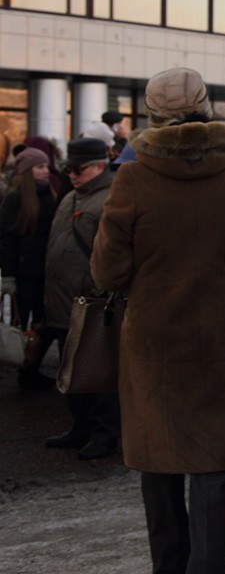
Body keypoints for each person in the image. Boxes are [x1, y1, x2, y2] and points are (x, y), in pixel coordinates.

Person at [91, 67, 225, 574]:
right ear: (207, 107)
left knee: (158, 468)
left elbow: (108, 272)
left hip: (154, 348)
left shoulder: (132, 177)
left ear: (151, 114)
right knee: (216, 473)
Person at [42, 137, 121, 460]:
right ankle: (80, 427)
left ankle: (105, 434)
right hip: (63, 301)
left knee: (97, 372)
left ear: (99, 166)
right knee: (72, 371)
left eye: (79, 169)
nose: (72, 174)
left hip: (90, 302)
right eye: (69, 169)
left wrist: (97, 289)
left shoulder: (110, 199)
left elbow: (111, 253)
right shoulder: (72, 196)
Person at [0, 148, 58, 336]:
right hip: (23, 270)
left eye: (46, 166)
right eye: (40, 167)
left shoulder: (51, 195)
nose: (45, 171)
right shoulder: (15, 198)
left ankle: (34, 358)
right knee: (21, 319)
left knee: (43, 319)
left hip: (46, 269)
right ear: (28, 170)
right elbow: (7, 239)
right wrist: (8, 275)